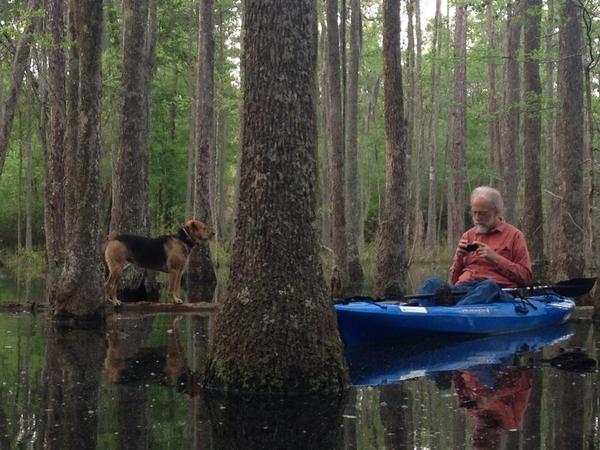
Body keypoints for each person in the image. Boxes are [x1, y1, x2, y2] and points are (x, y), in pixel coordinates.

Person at [418, 186, 533, 306]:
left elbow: (525, 278)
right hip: (464, 289)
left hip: (496, 292)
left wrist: (495, 258)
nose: (477, 218)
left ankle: (455, 312)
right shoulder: (468, 235)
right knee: (431, 283)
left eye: (483, 214)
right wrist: (459, 258)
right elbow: (452, 281)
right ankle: (415, 311)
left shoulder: (514, 236)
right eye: (474, 213)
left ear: (496, 212)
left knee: (489, 285)